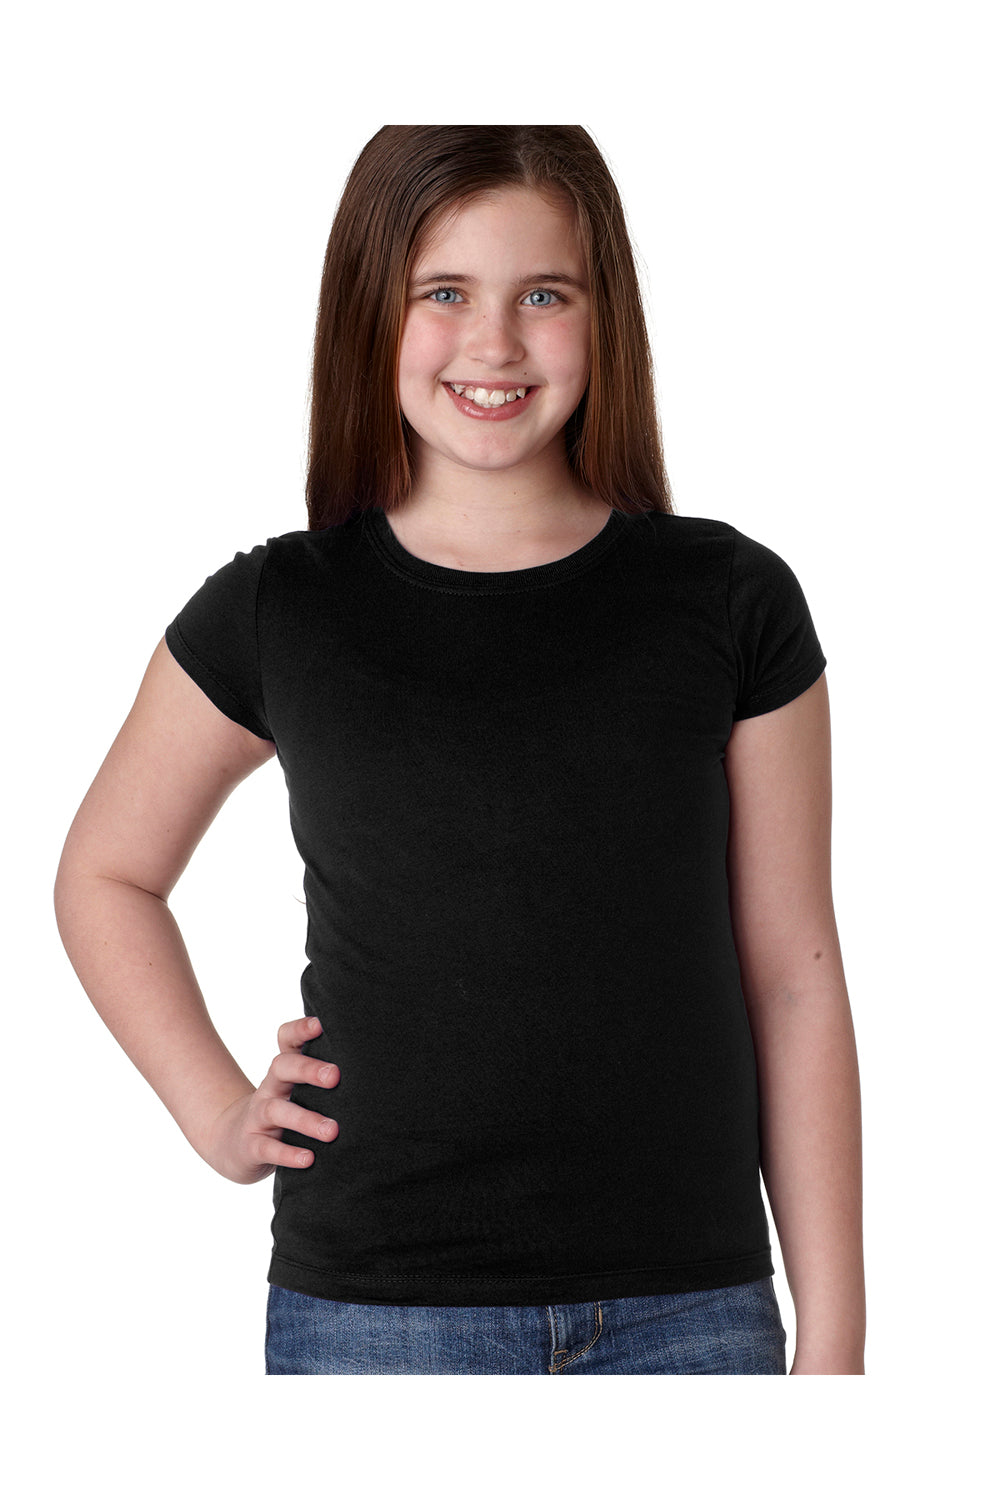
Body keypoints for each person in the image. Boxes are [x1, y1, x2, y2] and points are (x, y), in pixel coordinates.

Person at [53, 125, 865, 1376]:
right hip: (374, 1317)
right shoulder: (281, 608)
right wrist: (216, 1113)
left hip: (688, 1311)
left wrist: (836, 1340)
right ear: (369, 313)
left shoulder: (729, 599)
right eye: (443, 294)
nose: (493, 343)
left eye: (543, 295)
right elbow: (105, 875)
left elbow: (794, 979)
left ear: (605, 316)